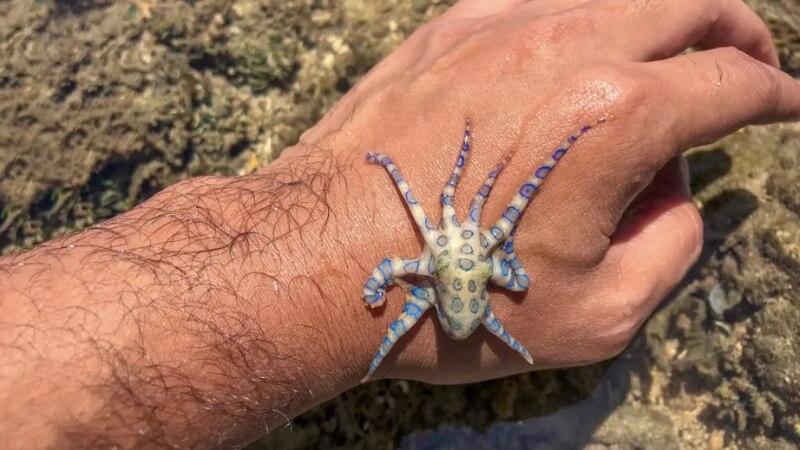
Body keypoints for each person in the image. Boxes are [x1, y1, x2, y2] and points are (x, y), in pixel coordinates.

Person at [1, 0, 798, 448]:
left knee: (464, 200)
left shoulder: (439, 257)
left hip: (458, 293)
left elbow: (416, 255)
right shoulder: (476, 260)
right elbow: (500, 233)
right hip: (469, 294)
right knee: (493, 199)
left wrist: (378, 231)